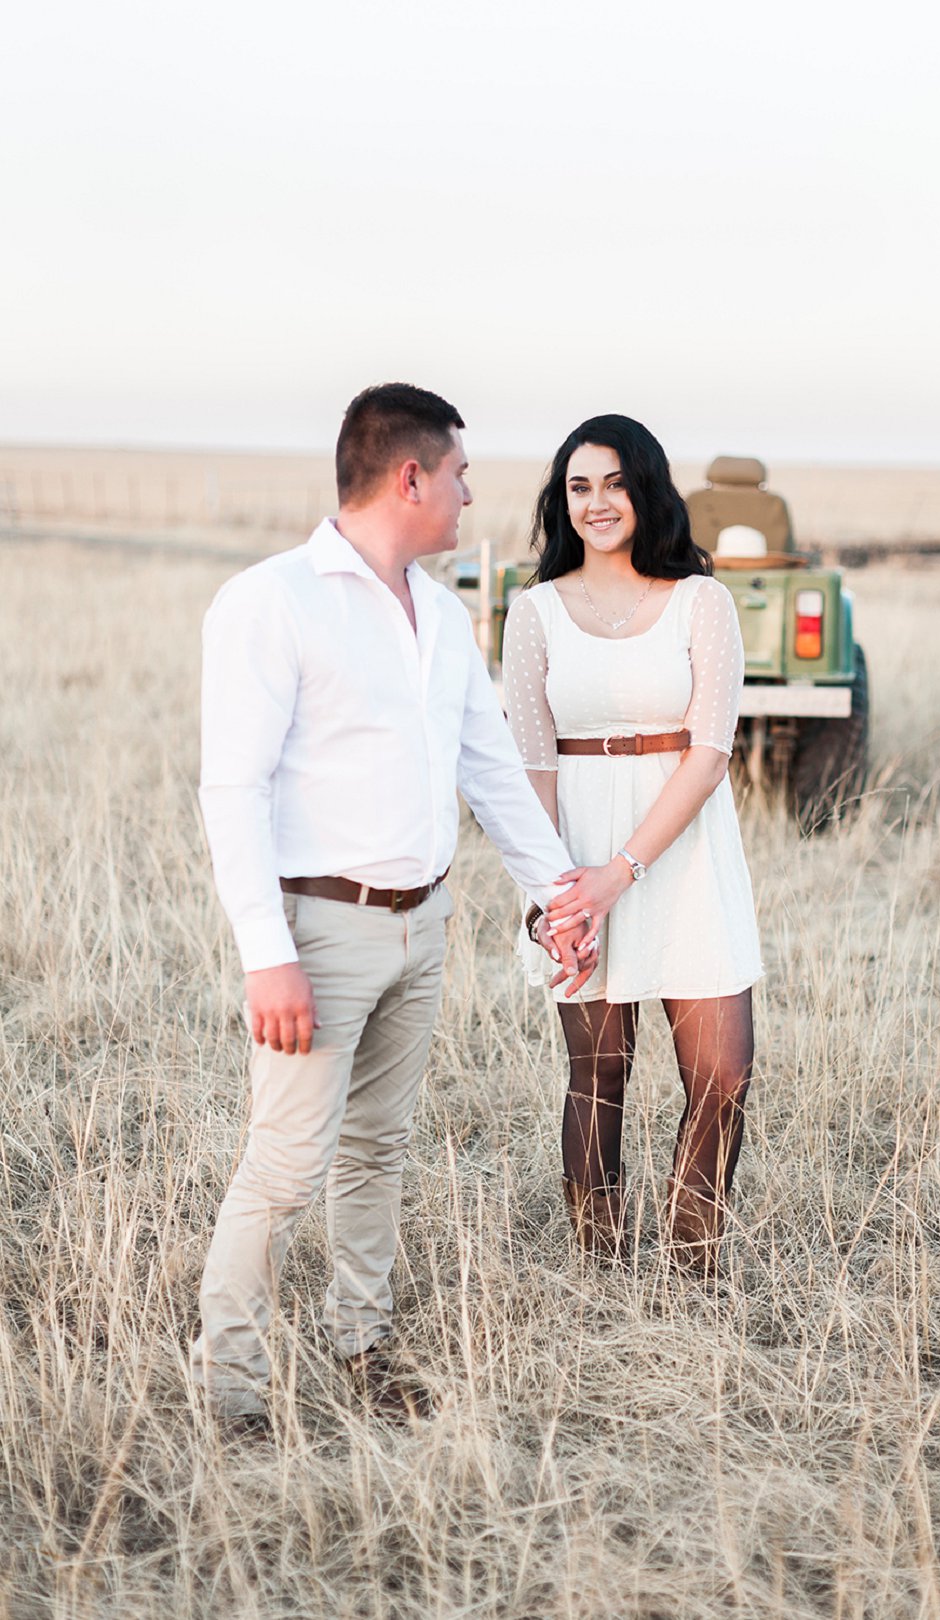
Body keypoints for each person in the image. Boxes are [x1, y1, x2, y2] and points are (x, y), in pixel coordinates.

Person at [193, 383, 594, 1435]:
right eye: (460, 475)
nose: (470, 496)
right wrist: (264, 954)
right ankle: (231, 1391)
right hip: (318, 928)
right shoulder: (271, 600)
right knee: (283, 1169)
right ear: (409, 477)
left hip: (426, 924)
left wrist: (554, 890)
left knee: (380, 1148)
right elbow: (229, 787)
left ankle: (361, 1344)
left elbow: (491, 769)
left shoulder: (443, 616)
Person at [501, 414, 764, 1273]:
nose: (597, 503)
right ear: (561, 500)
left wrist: (624, 872)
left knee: (724, 1071)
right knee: (598, 1076)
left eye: (614, 483)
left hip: (681, 855)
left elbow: (712, 753)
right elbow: (534, 766)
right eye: (579, 486)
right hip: (575, 860)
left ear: (646, 488)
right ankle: (602, 1269)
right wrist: (555, 897)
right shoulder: (535, 611)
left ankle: (693, 1266)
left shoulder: (702, 600)